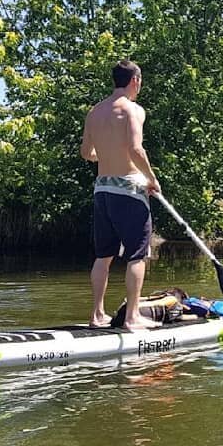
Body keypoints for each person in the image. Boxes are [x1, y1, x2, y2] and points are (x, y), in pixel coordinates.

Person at [81, 60, 162, 330]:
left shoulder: (95, 112)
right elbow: (136, 149)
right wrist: (151, 180)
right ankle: (132, 317)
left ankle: (96, 315)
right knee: (138, 254)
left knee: (103, 255)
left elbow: (86, 153)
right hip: (128, 190)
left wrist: (105, 155)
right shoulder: (133, 110)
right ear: (135, 81)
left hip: (102, 190)